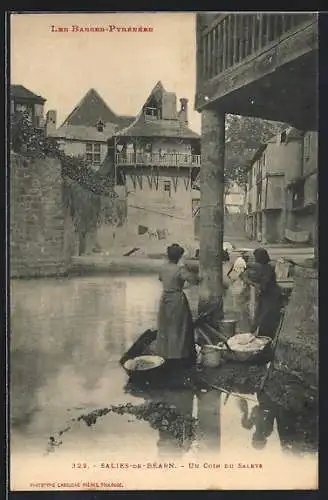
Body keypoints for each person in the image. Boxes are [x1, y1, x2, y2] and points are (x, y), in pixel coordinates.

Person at [156, 244, 201, 370]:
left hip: (165, 298)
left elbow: (160, 279)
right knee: (180, 327)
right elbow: (194, 280)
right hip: (177, 299)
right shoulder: (180, 269)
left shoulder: (163, 268)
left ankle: (165, 354)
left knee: (166, 327)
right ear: (179, 256)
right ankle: (178, 356)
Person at [241, 247, 282, 339]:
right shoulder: (264, 267)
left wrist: (249, 281)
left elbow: (263, 284)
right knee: (259, 315)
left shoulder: (267, 268)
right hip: (266, 295)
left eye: (256, 257)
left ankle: (265, 336)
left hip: (272, 296)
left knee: (264, 317)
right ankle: (256, 332)